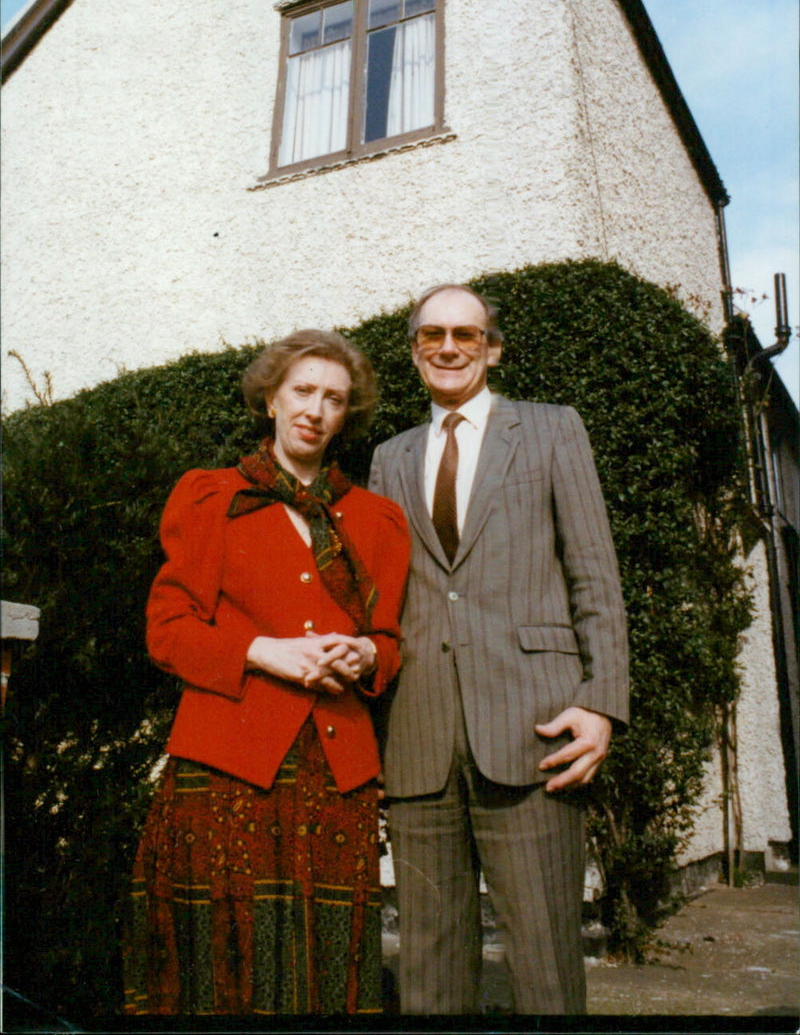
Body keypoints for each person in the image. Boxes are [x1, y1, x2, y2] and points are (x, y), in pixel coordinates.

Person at [123, 330, 410, 1017]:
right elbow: (167, 631)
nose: (315, 409)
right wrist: (263, 652)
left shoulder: (376, 520)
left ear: (348, 416)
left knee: (324, 968)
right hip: (225, 762)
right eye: (302, 391)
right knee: (220, 964)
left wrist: (368, 656)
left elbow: (389, 639)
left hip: (335, 773)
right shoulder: (210, 499)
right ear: (272, 400)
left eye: (333, 399)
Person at [369, 284, 629, 1015]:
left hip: (534, 731)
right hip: (418, 741)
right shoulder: (389, 458)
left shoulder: (551, 430)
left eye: (466, 335)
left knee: (546, 967)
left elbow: (595, 578)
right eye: (431, 336)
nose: (448, 348)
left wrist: (602, 702)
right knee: (428, 973)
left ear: (493, 348)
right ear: (414, 350)